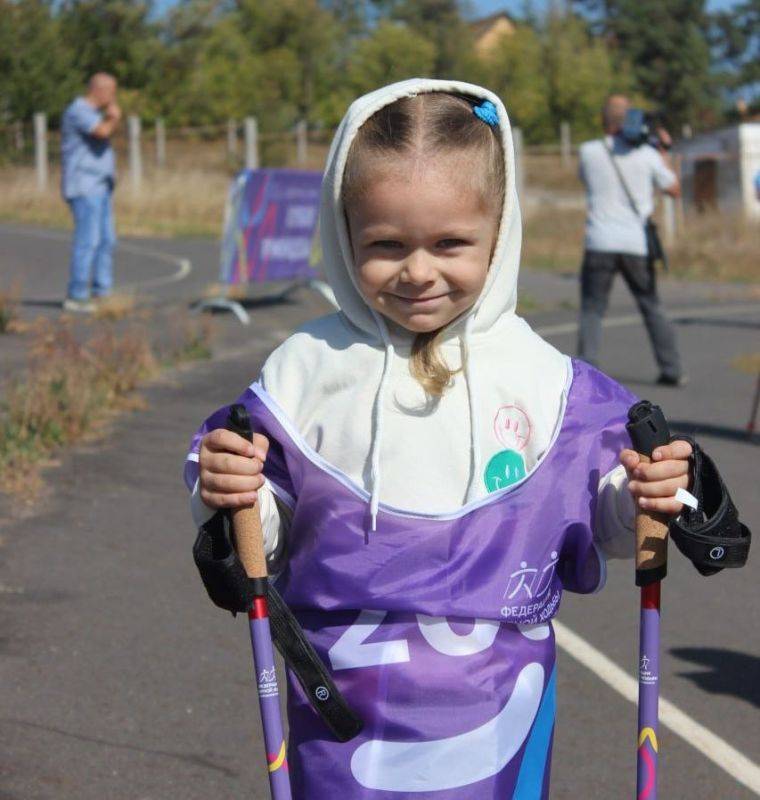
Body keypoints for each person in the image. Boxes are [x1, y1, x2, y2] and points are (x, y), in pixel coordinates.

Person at [184, 80, 694, 798]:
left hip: (499, 707)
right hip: (343, 708)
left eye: (451, 243)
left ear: (500, 232)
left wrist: (647, 491)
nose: (418, 271)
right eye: (386, 244)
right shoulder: (305, 371)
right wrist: (234, 492)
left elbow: (609, 518)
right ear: (344, 233)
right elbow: (259, 535)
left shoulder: (545, 378)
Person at [578, 94, 685, 386]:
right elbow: (674, 189)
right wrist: (662, 150)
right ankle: (671, 369)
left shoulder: (588, 151)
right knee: (650, 305)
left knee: (592, 308)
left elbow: (587, 181)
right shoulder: (648, 155)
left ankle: (586, 372)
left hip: (599, 241)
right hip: (635, 243)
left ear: (604, 121)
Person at [60, 73, 121, 313]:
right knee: (89, 241)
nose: (113, 97)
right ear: (99, 90)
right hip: (84, 186)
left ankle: (102, 291)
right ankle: (77, 294)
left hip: (101, 185)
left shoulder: (94, 113)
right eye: (112, 91)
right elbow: (101, 132)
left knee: (107, 239)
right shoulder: (79, 110)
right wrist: (113, 118)